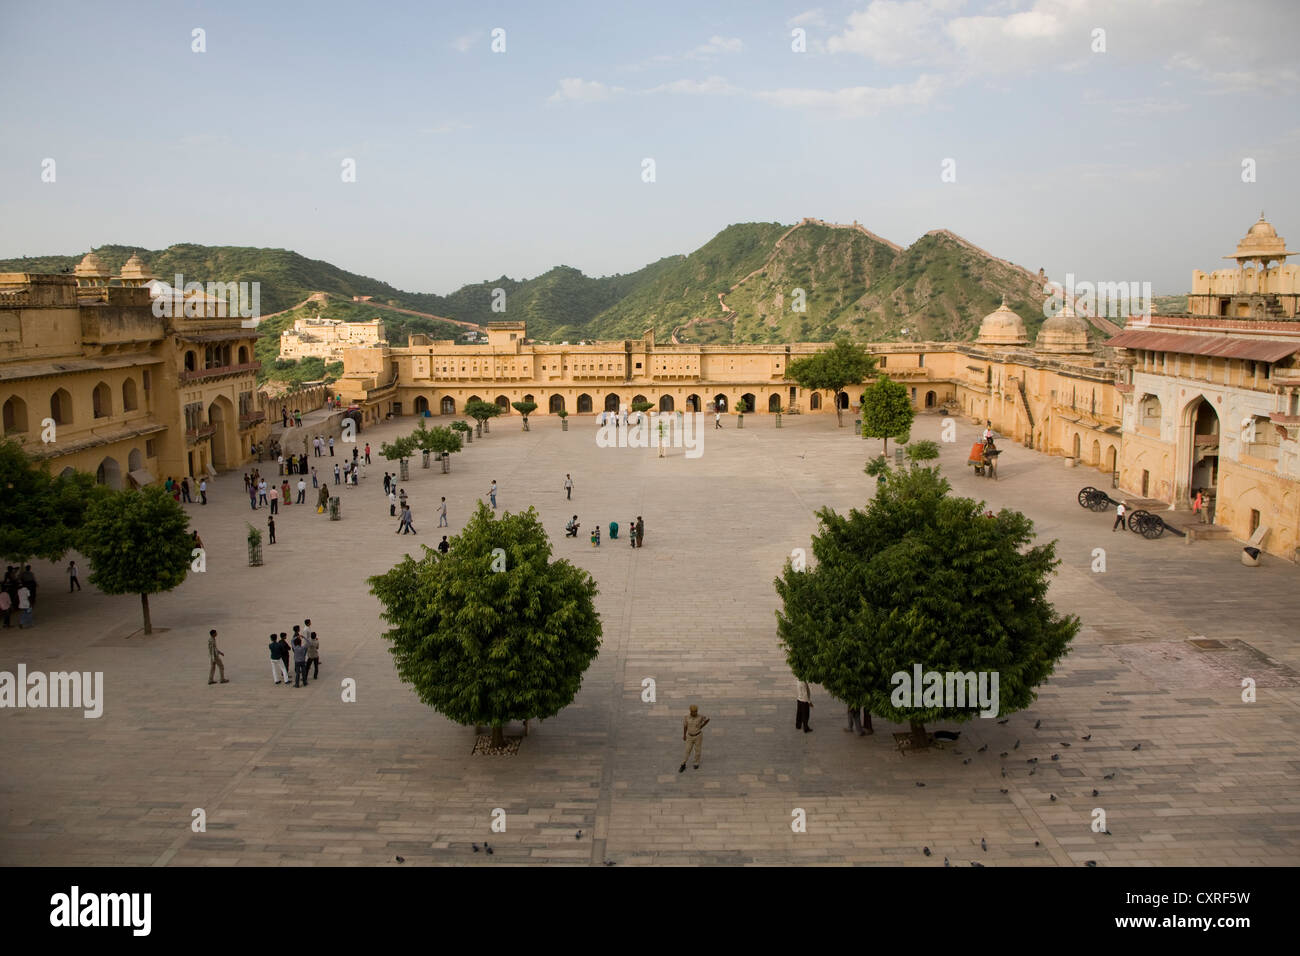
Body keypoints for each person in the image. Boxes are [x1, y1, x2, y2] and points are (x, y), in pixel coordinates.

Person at [680, 705, 709, 772]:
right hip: (689, 736)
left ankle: (696, 763)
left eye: (696, 711)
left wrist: (701, 726)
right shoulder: (686, 717)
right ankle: (683, 764)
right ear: (690, 711)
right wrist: (684, 735)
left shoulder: (700, 717)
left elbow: (707, 719)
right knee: (687, 751)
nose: (694, 713)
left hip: (698, 736)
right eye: (693, 712)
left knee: (698, 750)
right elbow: (685, 726)